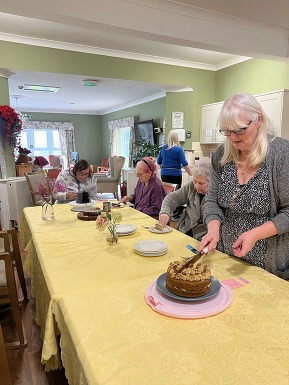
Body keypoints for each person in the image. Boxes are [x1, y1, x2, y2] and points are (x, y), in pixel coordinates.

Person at [199, 93, 289, 280]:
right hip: (226, 257)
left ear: (259, 120)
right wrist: (213, 229)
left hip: (267, 265)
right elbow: (211, 201)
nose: (232, 137)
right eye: (226, 131)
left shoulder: (282, 155)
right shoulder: (221, 156)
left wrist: (255, 234)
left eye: (239, 130)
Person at [158, 157, 211, 240]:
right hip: (184, 231)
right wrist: (165, 212)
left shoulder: (218, 194)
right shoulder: (191, 187)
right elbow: (172, 198)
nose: (196, 186)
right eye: (195, 181)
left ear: (212, 181)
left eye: (201, 183)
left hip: (204, 238)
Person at [157, 130, 192, 220]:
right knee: (176, 194)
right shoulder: (179, 149)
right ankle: (176, 214)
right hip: (175, 174)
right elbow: (184, 163)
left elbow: (159, 161)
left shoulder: (163, 148)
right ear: (177, 138)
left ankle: (167, 211)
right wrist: (191, 174)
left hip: (164, 173)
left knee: (167, 193)